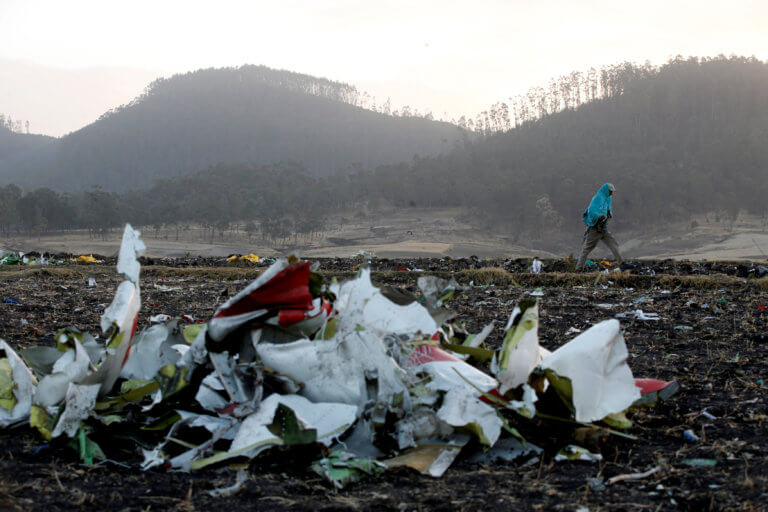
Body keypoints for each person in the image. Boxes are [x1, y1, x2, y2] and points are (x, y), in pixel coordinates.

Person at [575, 183, 623, 270]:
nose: (611, 193)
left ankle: (622, 263)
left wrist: (608, 215)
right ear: (606, 190)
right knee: (587, 249)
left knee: (613, 244)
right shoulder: (598, 198)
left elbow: (608, 210)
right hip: (595, 228)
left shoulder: (607, 199)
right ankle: (578, 268)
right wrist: (598, 216)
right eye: (610, 191)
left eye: (612, 192)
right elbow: (592, 210)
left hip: (603, 228)